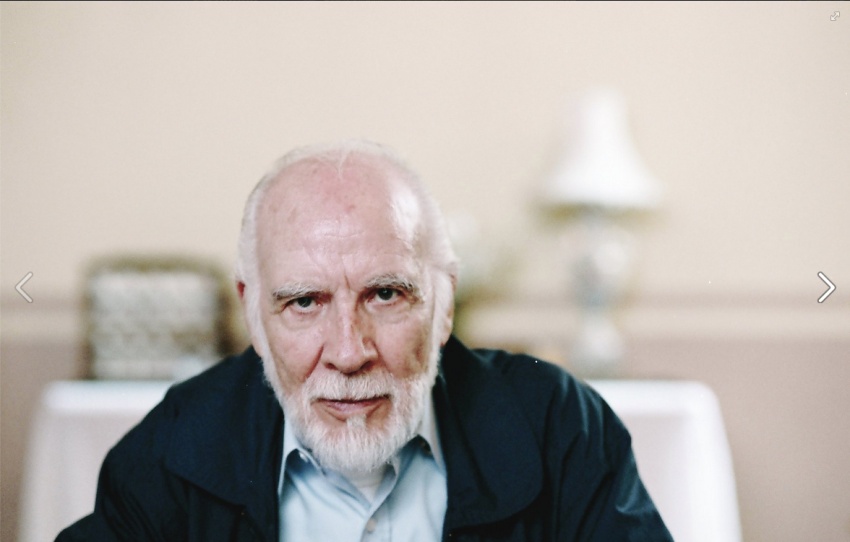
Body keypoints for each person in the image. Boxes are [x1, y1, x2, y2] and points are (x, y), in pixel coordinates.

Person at [57, 140, 672, 541]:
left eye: (385, 295)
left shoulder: (561, 428)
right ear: (252, 312)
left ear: (444, 303)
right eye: (304, 302)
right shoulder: (172, 449)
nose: (349, 353)